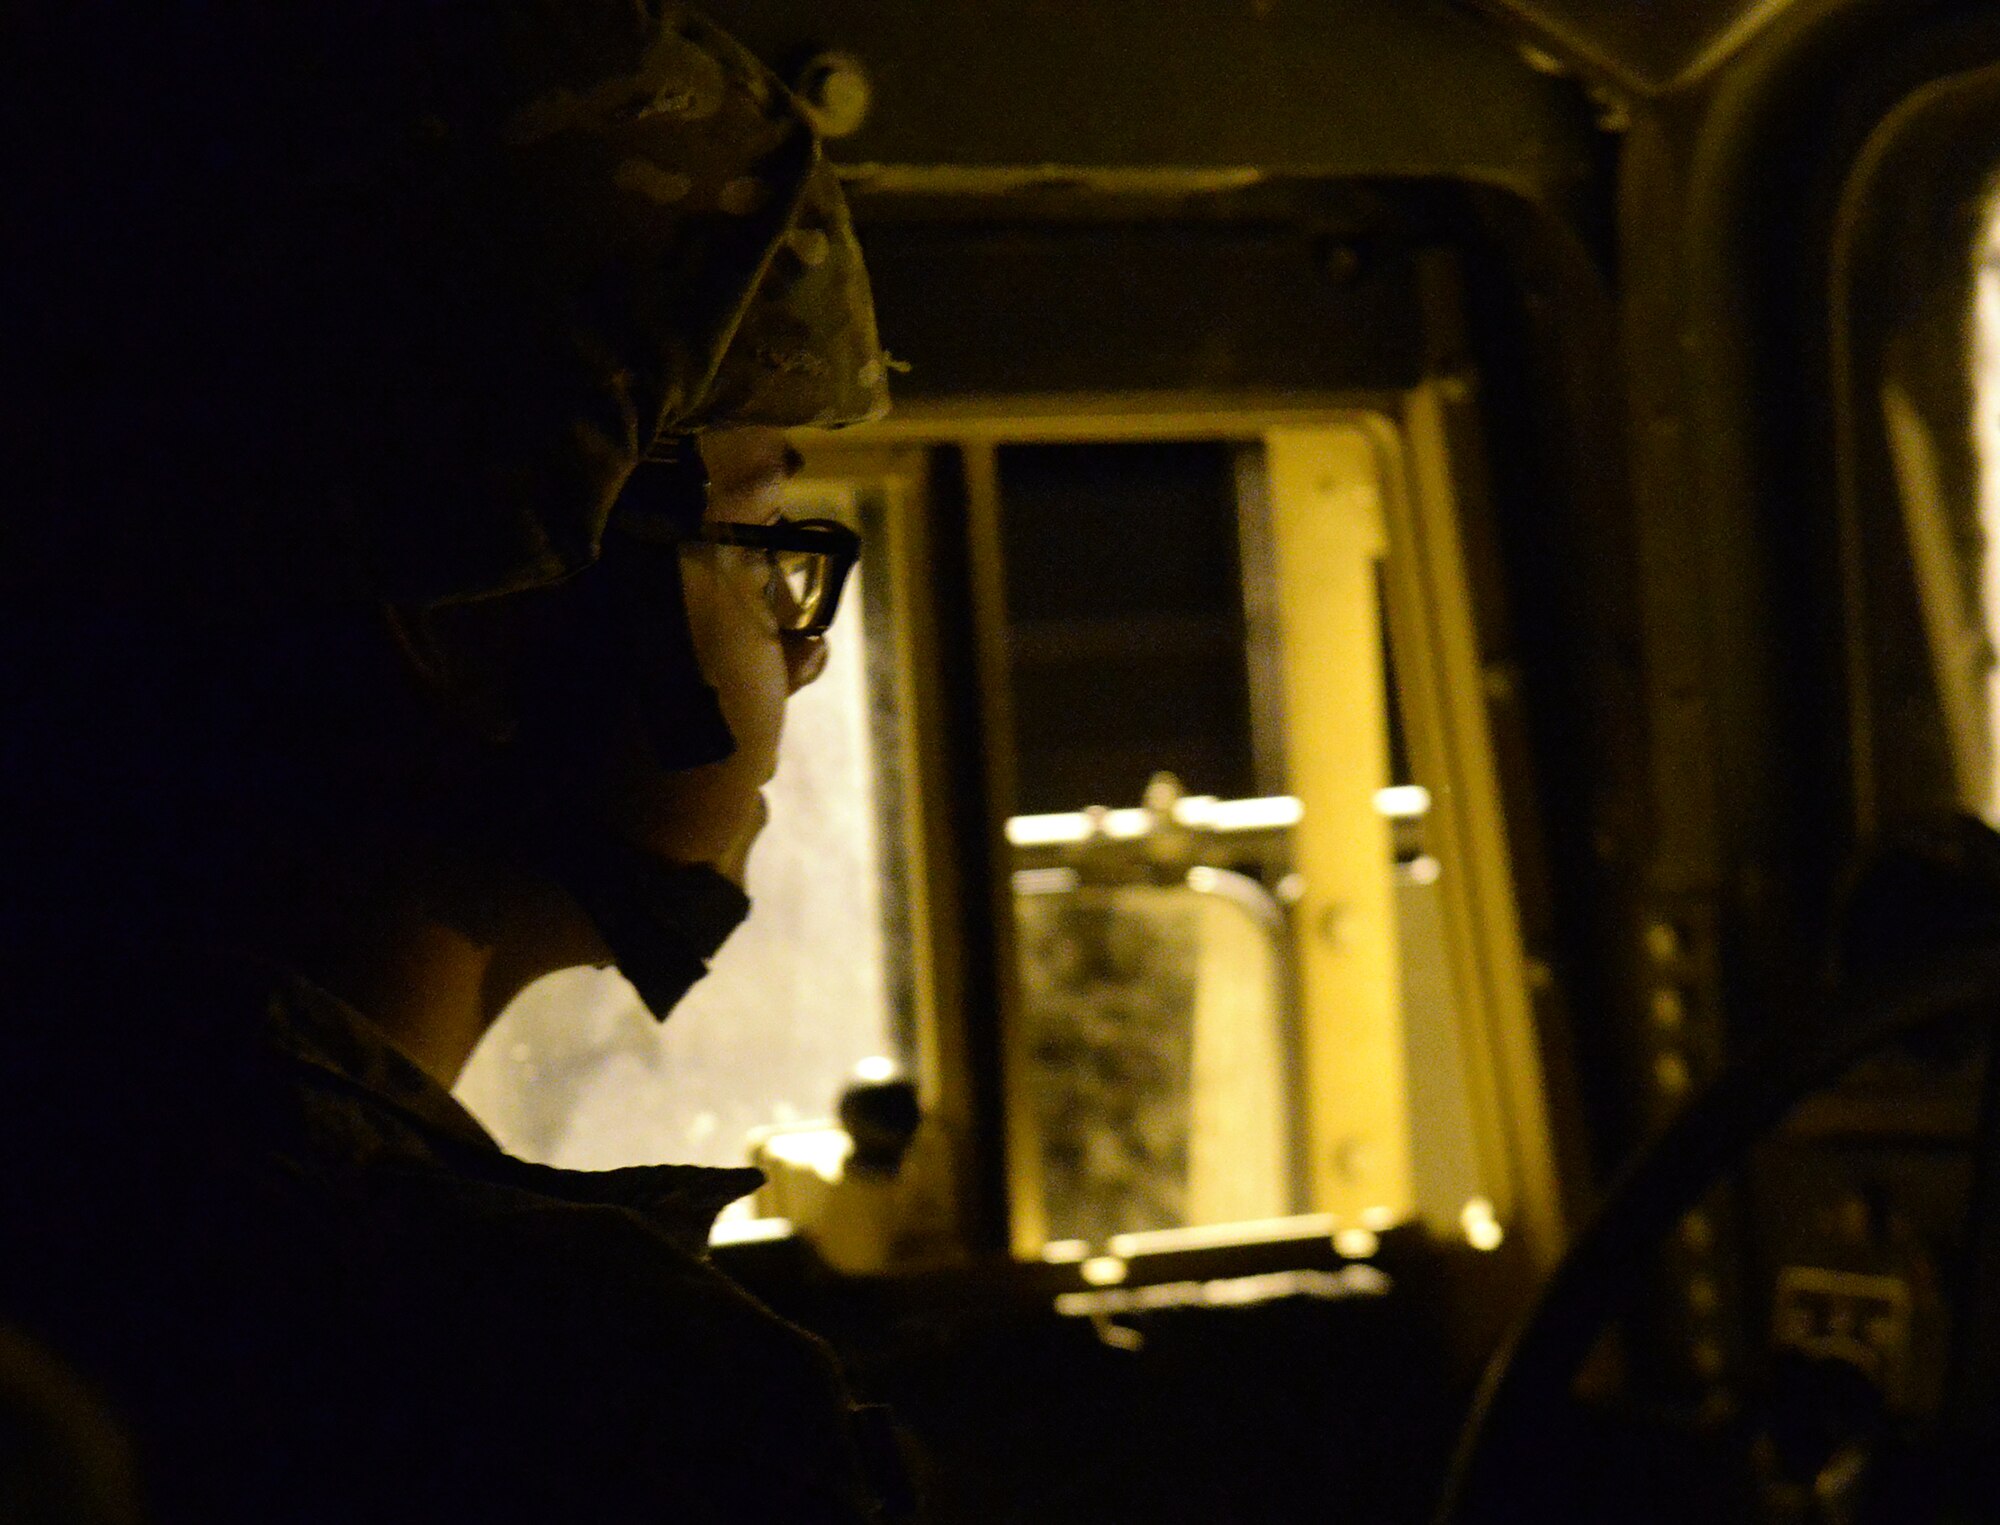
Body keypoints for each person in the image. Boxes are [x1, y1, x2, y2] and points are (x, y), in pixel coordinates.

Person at [0, 4, 909, 1521]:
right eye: (763, 538)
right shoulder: (595, 1398)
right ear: (496, 613)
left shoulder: (102, 1141)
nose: (804, 645)